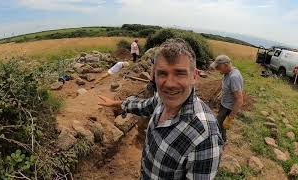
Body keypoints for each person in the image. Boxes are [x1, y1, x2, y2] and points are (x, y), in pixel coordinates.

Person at [99, 38, 223, 179]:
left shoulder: (205, 137)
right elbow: (142, 106)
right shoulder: (161, 100)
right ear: (154, 75)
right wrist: (116, 103)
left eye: (179, 73)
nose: (169, 84)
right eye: (162, 73)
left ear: (194, 77)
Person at [210, 55, 244, 143]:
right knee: (220, 125)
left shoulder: (234, 77)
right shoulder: (227, 73)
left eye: (218, 67)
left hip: (228, 108)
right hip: (224, 104)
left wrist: (230, 117)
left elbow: (239, 100)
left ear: (226, 65)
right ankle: (221, 140)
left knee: (220, 125)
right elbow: (227, 87)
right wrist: (221, 95)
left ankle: (222, 142)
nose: (217, 69)